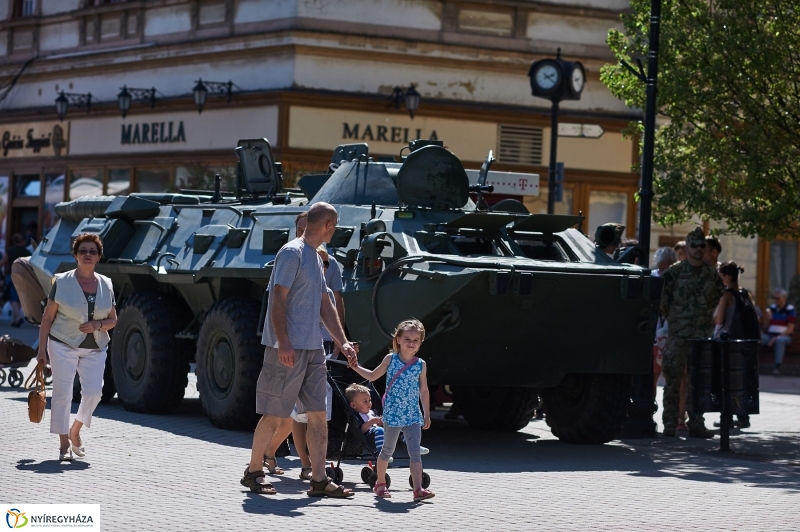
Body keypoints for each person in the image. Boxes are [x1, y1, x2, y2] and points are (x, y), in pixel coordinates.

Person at [241, 202, 357, 498]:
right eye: (336, 225)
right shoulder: (292, 252)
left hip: (314, 348)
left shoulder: (316, 258)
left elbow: (324, 304)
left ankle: (319, 480)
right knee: (275, 413)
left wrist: (341, 341)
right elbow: (278, 299)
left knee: (318, 414)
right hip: (287, 348)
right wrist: (284, 342)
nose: (336, 230)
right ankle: (253, 472)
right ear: (328, 225)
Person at [36, 233, 117, 461]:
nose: (88, 255)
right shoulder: (61, 282)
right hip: (62, 343)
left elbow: (113, 320)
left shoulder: (106, 284)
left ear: (99, 257)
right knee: (62, 394)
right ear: (75, 255)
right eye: (83, 251)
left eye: (92, 251)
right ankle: (63, 442)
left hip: (96, 346)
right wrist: (42, 349)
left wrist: (97, 324)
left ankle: (75, 430)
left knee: (94, 392)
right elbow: (47, 318)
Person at [349, 319, 435, 502]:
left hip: (412, 414)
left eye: (415, 340)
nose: (411, 343)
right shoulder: (391, 359)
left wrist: (427, 413)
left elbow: (424, 390)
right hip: (393, 414)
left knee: (415, 452)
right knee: (387, 450)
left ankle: (418, 488)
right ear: (398, 340)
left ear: (420, 342)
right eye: (407, 339)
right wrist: (356, 367)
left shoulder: (421, 364)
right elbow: (373, 376)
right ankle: (380, 483)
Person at [659, 227, 723, 438]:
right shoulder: (674, 272)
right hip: (679, 335)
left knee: (699, 382)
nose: (697, 249)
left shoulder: (711, 274)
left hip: (701, 335)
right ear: (686, 247)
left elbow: (717, 298)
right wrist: (676, 320)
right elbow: (663, 300)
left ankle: (696, 423)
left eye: (701, 246)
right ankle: (669, 423)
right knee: (673, 381)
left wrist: (703, 318)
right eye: (693, 245)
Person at [712, 261, 759, 428]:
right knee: (742, 379)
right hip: (745, 343)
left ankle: (727, 417)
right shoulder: (746, 294)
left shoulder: (727, 295)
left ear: (727, 276)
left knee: (726, 380)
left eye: (720, 276)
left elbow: (719, 319)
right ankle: (743, 416)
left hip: (729, 343)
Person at [651, 247, 677, 398]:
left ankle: (674, 413)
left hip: (672, 333)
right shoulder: (653, 277)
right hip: (656, 334)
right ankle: (650, 412)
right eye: (661, 266)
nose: (663, 269)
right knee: (653, 376)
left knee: (673, 377)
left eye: (666, 265)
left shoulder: (678, 279)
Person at [760, 288, 795, 375]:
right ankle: (752, 363)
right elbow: (765, 329)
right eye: (773, 298)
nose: (775, 300)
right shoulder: (771, 308)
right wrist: (767, 319)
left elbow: (790, 329)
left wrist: (776, 338)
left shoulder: (790, 310)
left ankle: (777, 367)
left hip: (784, 336)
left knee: (780, 341)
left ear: (784, 298)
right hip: (770, 336)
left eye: (777, 298)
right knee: (757, 338)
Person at [0, 233, 31, 327]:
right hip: (23, 276)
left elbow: (2, 262)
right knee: (20, 296)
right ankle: (15, 319)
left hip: (12, 275)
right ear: (23, 241)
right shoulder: (26, 252)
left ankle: (18, 317)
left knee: (13, 297)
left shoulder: (10, 251)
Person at [346, 383, 385, 452]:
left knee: (397, 427)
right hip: (369, 437)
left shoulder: (372, 412)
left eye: (369, 400)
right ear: (353, 405)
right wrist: (371, 422)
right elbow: (360, 431)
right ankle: (382, 453)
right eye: (365, 401)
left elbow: (377, 423)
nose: (369, 403)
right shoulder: (356, 416)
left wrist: (380, 422)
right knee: (379, 430)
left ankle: (409, 447)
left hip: (379, 433)